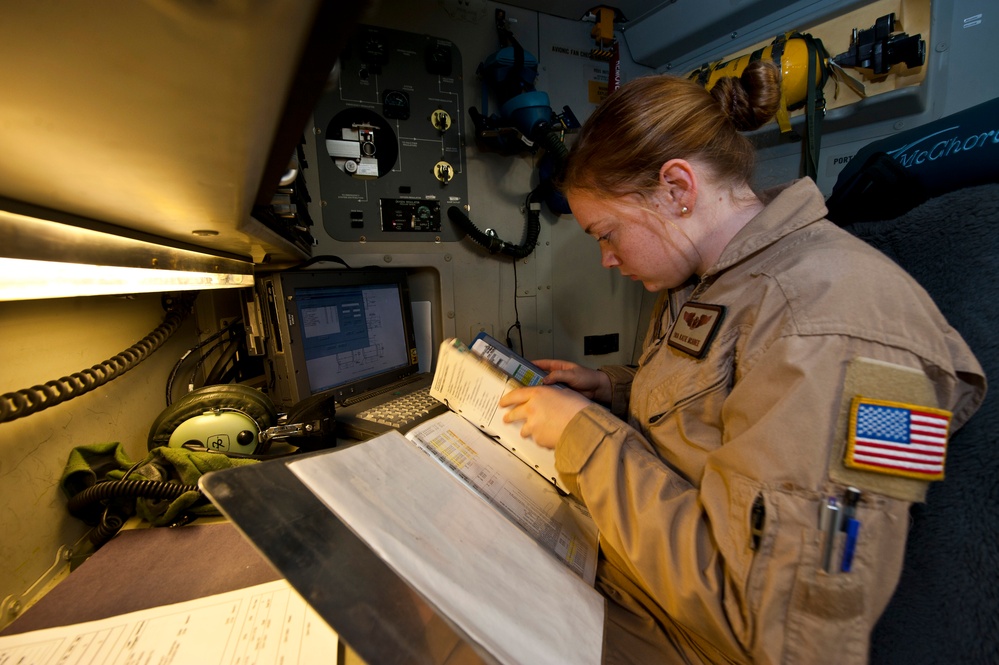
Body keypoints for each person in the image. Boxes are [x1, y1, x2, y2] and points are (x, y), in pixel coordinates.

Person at [499, 62, 986, 664]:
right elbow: (718, 403)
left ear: (678, 189)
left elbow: (777, 631)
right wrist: (610, 388)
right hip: (637, 577)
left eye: (607, 233)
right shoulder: (716, 279)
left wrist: (583, 437)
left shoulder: (838, 328)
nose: (606, 259)